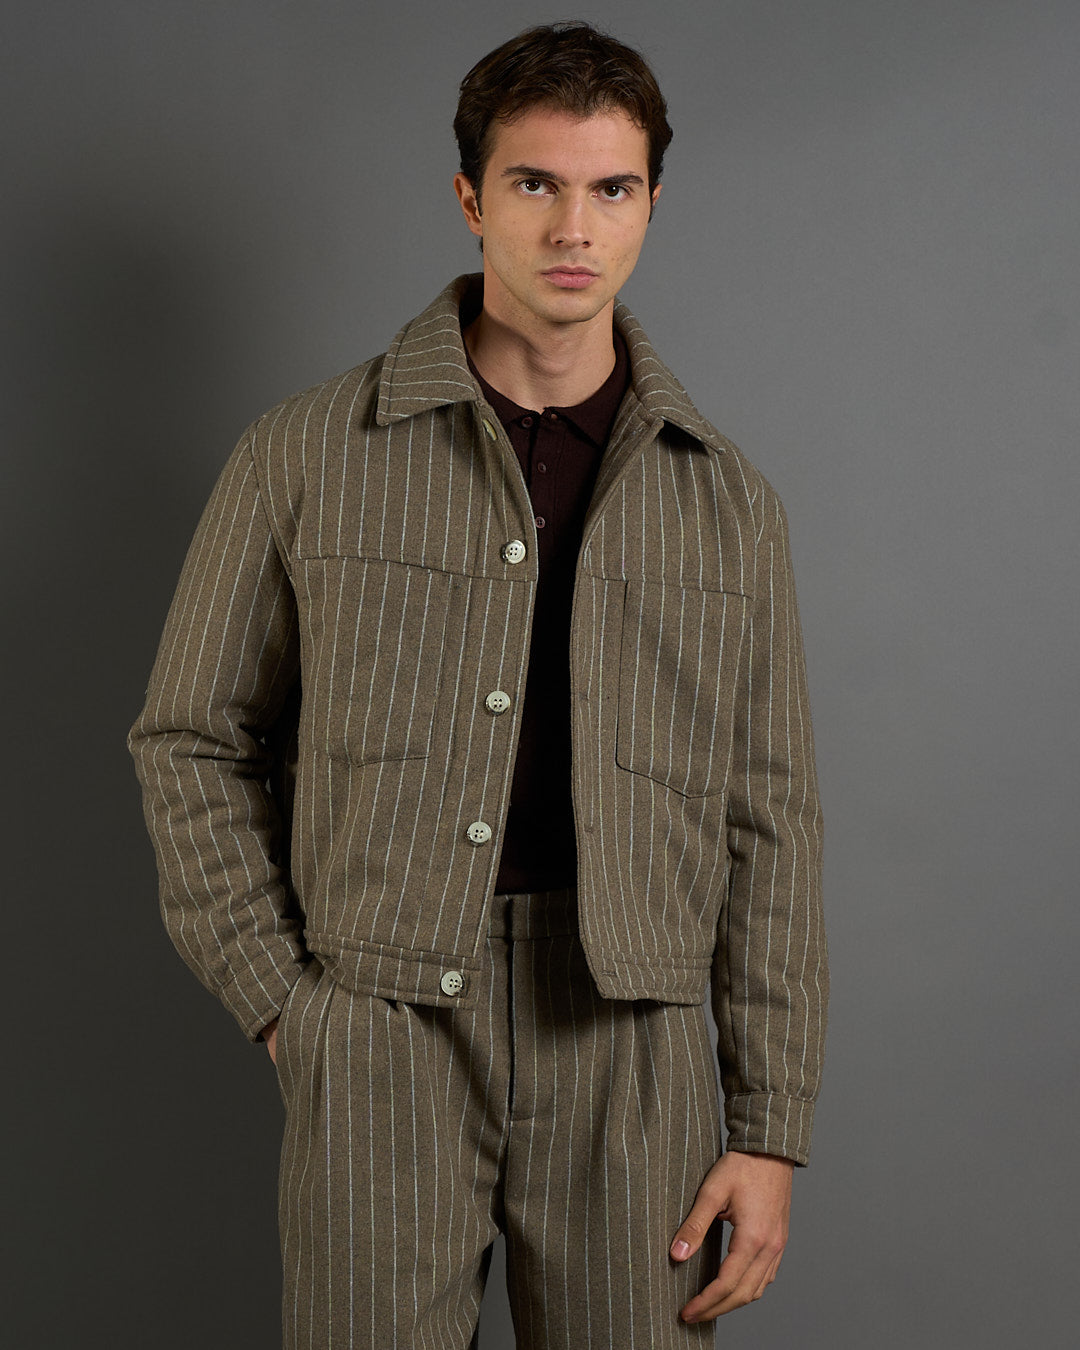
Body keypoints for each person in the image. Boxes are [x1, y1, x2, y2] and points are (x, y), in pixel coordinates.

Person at [129, 20, 828, 1350]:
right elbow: (189, 738)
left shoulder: (730, 505)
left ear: (652, 204)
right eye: (535, 183)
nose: (574, 226)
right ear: (470, 198)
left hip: (631, 1040)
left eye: (611, 187)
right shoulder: (305, 454)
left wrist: (769, 1124)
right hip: (382, 1027)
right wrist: (283, 1001)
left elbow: (770, 816)